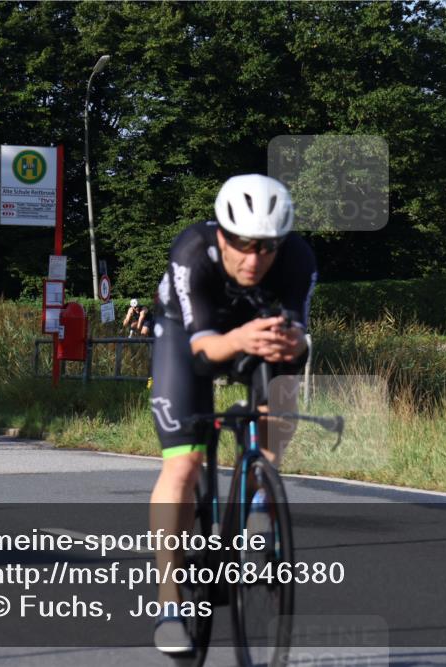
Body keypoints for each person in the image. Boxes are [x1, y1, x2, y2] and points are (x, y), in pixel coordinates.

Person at [148, 174, 317, 654]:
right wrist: (242, 340)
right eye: (242, 244)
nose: (254, 258)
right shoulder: (191, 251)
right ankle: (170, 603)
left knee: (281, 383)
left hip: (253, 329)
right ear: (221, 235)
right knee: (183, 464)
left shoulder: (298, 258)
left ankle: (262, 498)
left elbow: (300, 340)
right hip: (186, 333)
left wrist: (294, 342)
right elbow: (202, 354)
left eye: (266, 247)